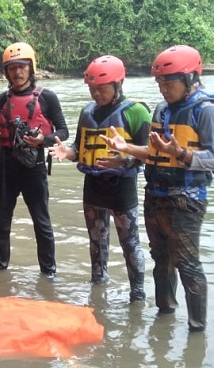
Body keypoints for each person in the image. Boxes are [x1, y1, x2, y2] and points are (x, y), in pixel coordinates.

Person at [101, 45, 213, 331]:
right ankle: (165, 317)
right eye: (159, 82)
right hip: (156, 194)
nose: (163, 88)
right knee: (160, 258)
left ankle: (196, 329)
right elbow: (154, 154)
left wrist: (184, 155)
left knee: (187, 264)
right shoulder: (162, 110)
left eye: (169, 81)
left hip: (186, 199)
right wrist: (126, 150)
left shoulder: (205, 110)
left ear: (189, 78)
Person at [48, 55, 148, 302]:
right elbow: (79, 148)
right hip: (93, 187)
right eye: (92, 89)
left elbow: (149, 154)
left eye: (101, 88)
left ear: (118, 84)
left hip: (121, 188)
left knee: (130, 243)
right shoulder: (87, 112)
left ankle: (137, 293)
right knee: (96, 241)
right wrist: (67, 152)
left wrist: (123, 159)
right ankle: (98, 288)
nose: (95, 94)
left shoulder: (137, 112)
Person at [0, 42, 69, 278]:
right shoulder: (0, 101)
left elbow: (64, 132)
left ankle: (48, 273)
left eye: (22, 67)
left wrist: (44, 140)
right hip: (6, 166)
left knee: (42, 222)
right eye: (12, 68)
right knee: (2, 221)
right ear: (6, 72)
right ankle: (0, 271)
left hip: (35, 167)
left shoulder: (47, 98)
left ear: (31, 68)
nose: (17, 72)